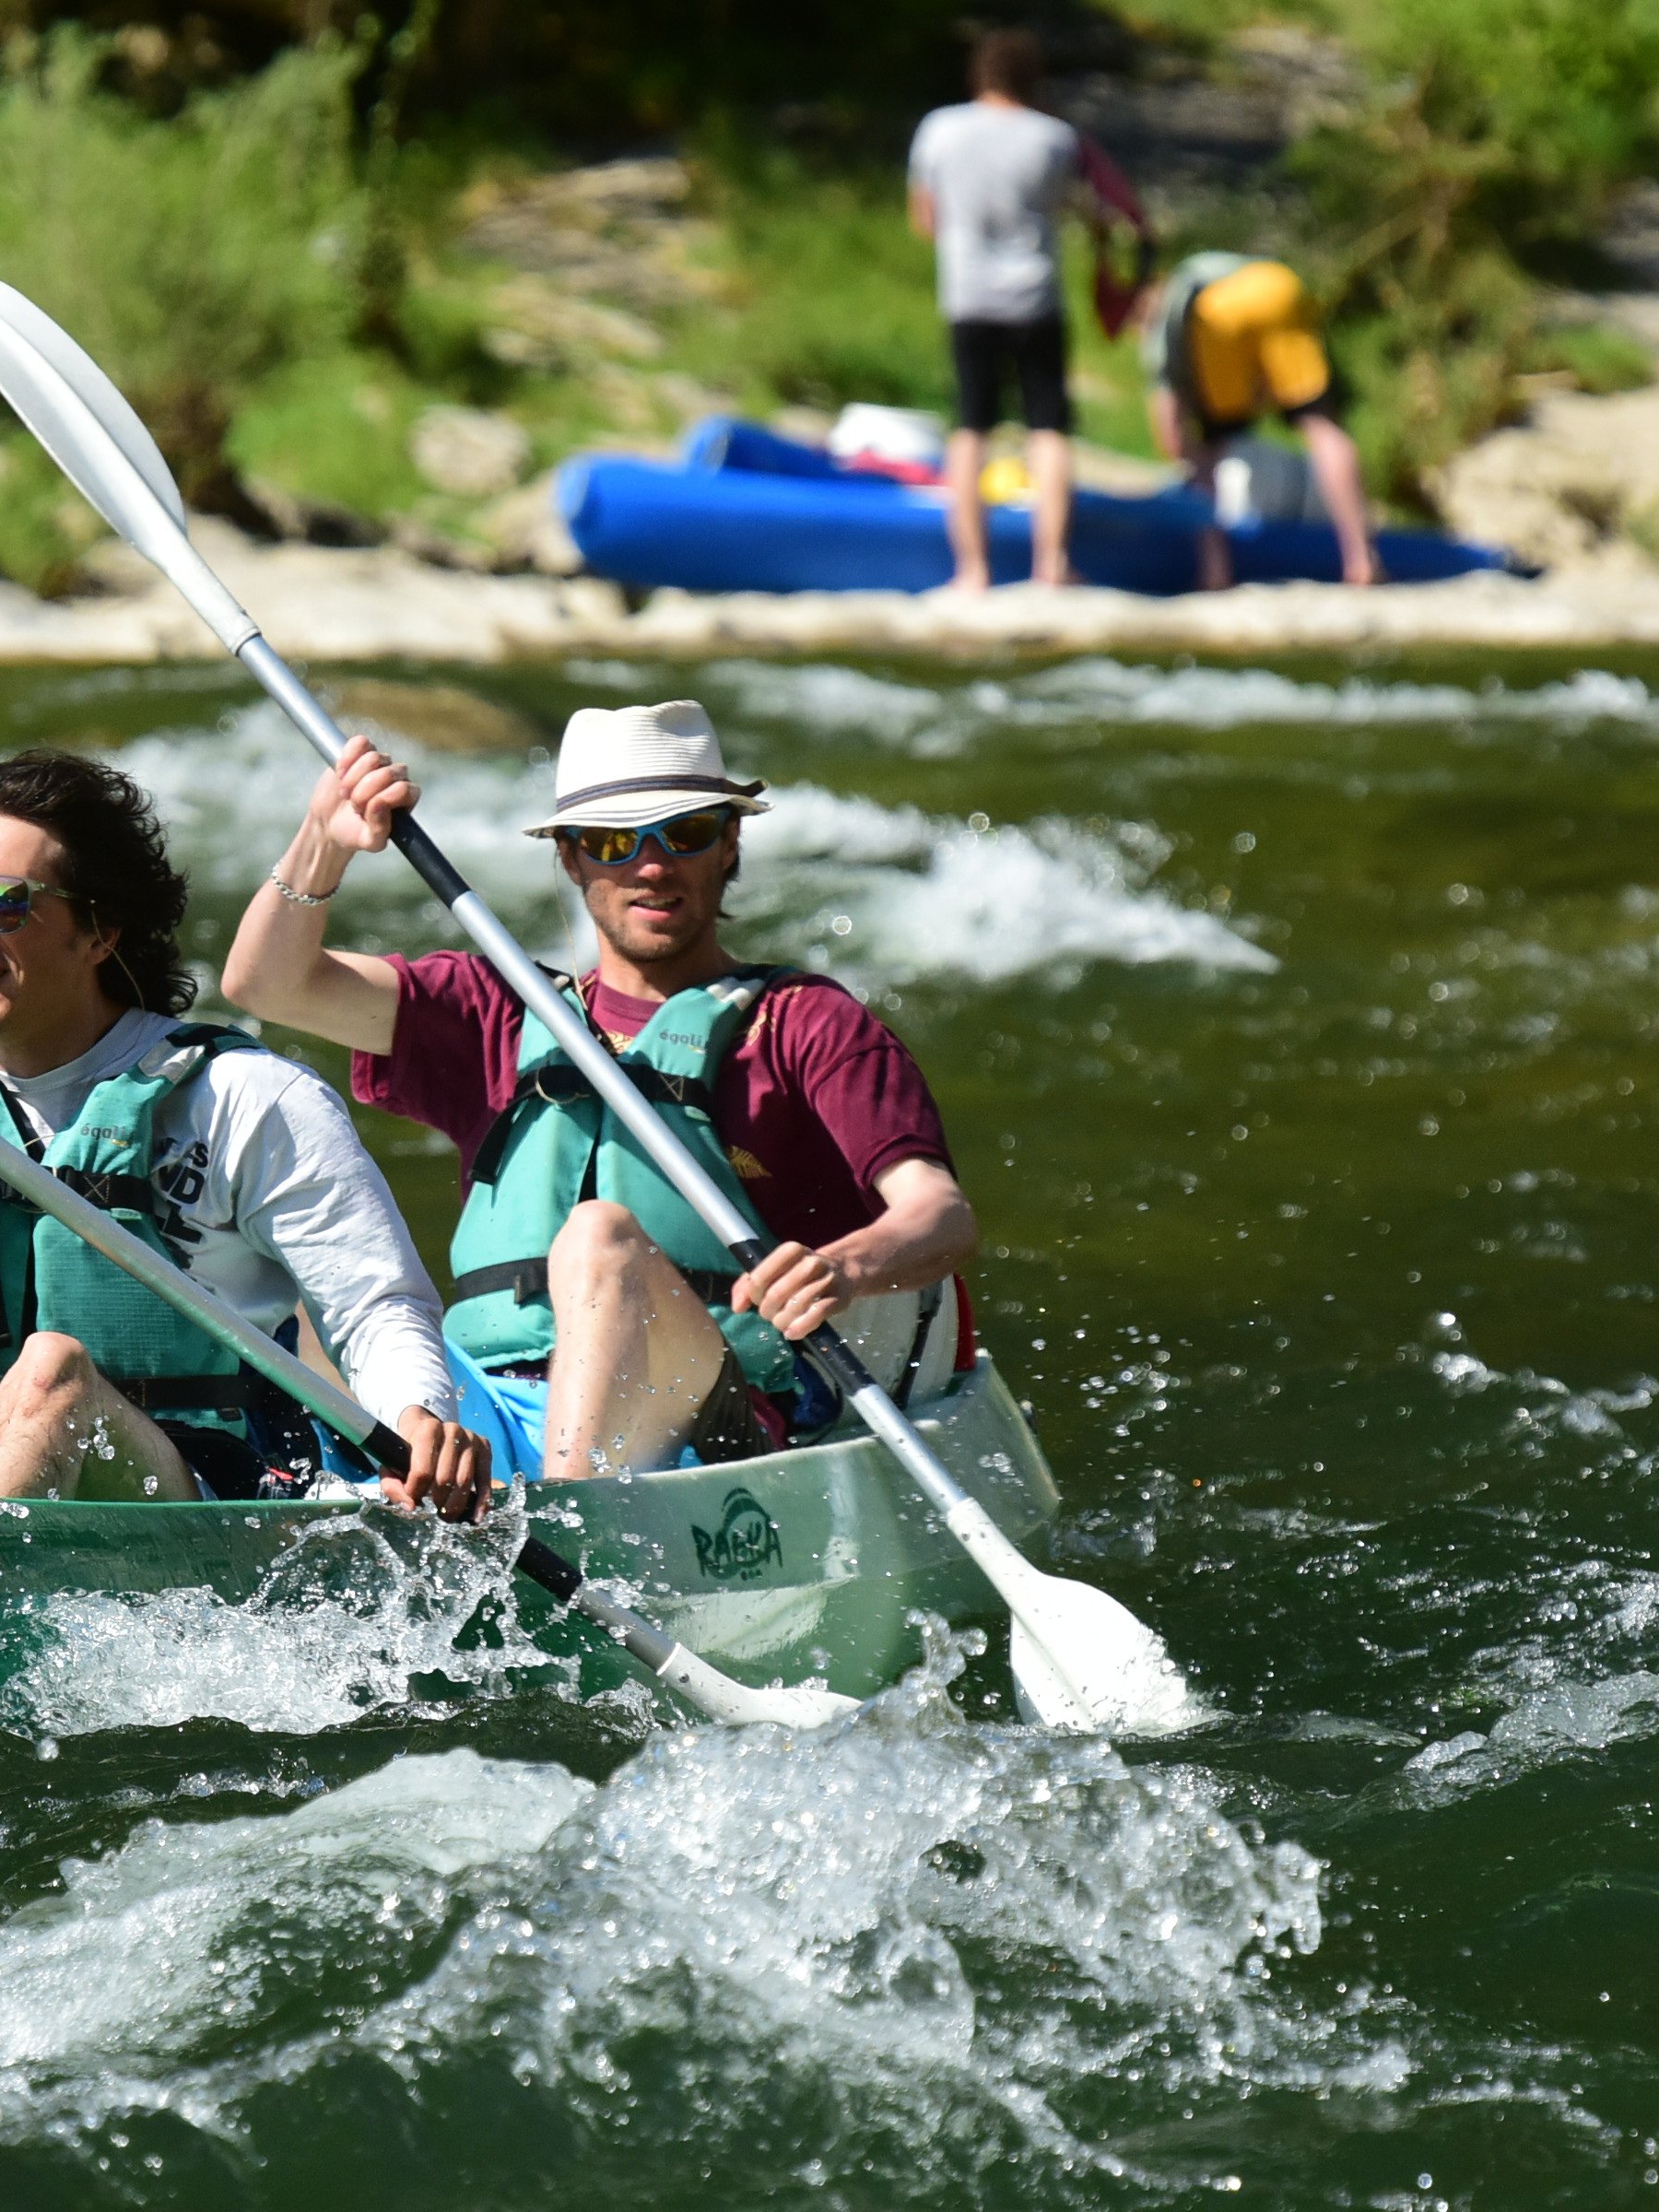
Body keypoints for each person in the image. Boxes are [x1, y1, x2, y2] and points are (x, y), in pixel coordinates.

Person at [0, 747, 488, 1515]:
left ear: (100, 931)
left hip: (195, 1496)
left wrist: (419, 1413)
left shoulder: (243, 1096)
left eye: (5, 902)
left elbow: (374, 1304)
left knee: (52, 1377)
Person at [220, 701, 980, 1487]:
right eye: (615, 843)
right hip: (484, 1406)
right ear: (572, 859)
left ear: (730, 843)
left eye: (684, 834)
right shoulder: (495, 1010)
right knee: (302, 1281)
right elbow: (266, 984)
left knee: (599, 1239)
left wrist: (843, 1269)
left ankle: (567, 1520)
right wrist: (322, 844)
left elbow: (939, 1217)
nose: (652, 866)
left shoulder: (805, 1024)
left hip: (705, 1419)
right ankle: (375, 1501)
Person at [904, 28, 1139, 592]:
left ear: (979, 75)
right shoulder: (1055, 137)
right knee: (1049, 429)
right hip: (1037, 297)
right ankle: (1052, 565)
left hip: (969, 296)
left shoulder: (938, 129)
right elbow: (1077, 210)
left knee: (970, 429)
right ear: (1033, 79)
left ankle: (973, 571)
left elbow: (925, 220)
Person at [1138, 251, 1382, 589]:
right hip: (1280, 285)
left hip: (1219, 314)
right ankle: (1362, 559)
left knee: (1211, 449)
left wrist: (1189, 454)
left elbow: (1172, 434)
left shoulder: (1167, 318)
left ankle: (1216, 571)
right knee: (1322, 426)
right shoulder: (1201, 266)